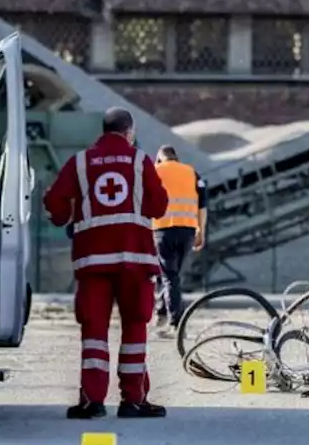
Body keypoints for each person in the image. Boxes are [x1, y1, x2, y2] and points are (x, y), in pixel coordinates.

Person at [42, 107, 170, 419]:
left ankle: (92, 401)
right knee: (135, 328)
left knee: (94, 331)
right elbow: (159, 205)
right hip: (135, 261)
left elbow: (54, 201)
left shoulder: (81, 162)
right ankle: (133, 400)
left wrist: (68, 215)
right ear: (130, 132)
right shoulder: (141, 161)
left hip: (93, 262)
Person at [150, 144, 208, 338]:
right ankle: (162, 312)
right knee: (172, 277)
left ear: (159, 158)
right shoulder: (192, 173)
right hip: (187, 230)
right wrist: (202, 231)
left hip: (162, 230)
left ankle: (175, 324)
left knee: (169, 277)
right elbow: (203, 206)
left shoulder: (153, 171)